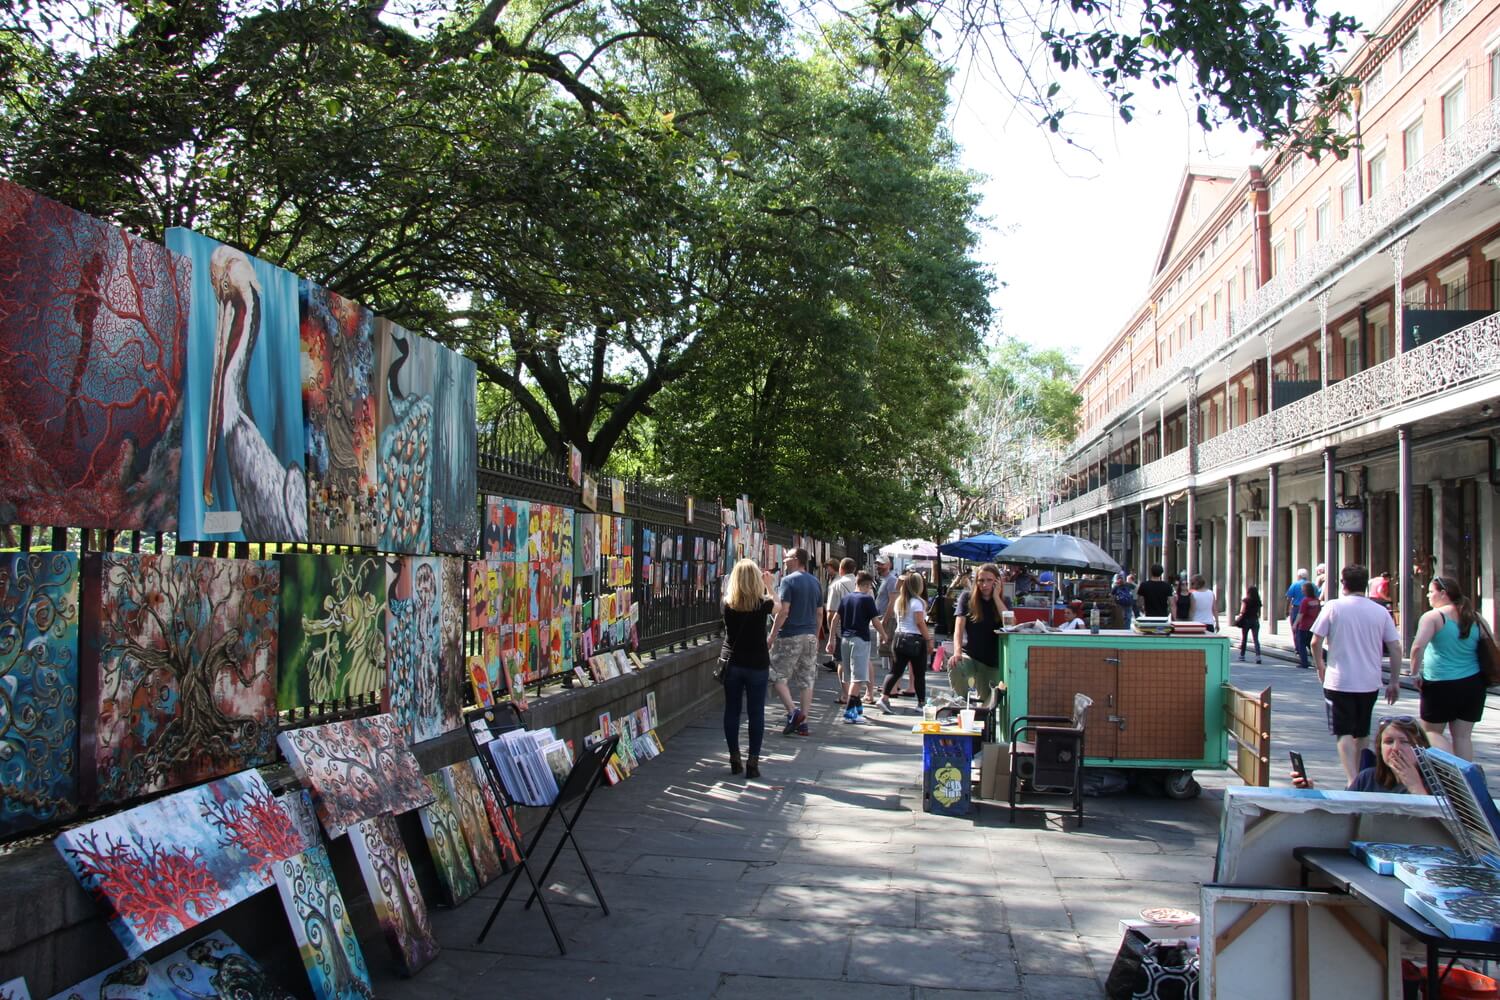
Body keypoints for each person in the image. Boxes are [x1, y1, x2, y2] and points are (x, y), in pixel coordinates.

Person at [1310, 564, 1403, 785]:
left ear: (1344, 584)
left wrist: (1320, 666)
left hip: (1339, 680)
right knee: (1362, 733)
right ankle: (1362, 777)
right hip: (1369, 681)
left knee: (1343, 733)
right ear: (1365, 585)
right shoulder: (1379, 611)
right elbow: (1396, 647)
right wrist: (1395, 681)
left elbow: (1315, 641)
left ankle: (1352, 780)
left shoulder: (1333, 607)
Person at [1409, 575, 1488, 760]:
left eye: (1430, 591)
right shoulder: (1475, 617)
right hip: (1473, 684)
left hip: (1441, 683)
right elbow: (1489, 644)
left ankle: (1450, 768)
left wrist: (1414, 674)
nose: (1428, 595)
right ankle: (1465, 779)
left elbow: (1418, 646)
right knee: (1462, 737)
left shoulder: (1433, 617)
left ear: (1443, 594)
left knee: (1431, 733)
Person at [720, 559, 775, 778]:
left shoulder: (727, 603)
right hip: (757, 663)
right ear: (756, 579)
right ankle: (753, 761)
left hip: (732, 663)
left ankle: (734, 757)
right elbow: (779, 606)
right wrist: (769, 585)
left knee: (731, 710)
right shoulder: (762, 604)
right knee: (756, 712)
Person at [1291, 715, 1430, 794]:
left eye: (1404, 742)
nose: (1395, 748)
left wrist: (1415, 786)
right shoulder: (1368, 778)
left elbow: (1440, 830)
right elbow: (1341, 812)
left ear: (1420, 747)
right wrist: (1309, 793)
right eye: (1388, 742)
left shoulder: (1434, 784)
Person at [768, 548, 821, 737]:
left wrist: (772, 636)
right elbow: (819, 612)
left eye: (787, 557)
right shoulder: (815, 582)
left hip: (790, 635)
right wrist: (815, 633)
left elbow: (783, 611)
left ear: (796, 559)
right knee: (807, 680)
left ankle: (793, 712)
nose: (784, 560)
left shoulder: (788, 581)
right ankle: (804, 723)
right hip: (810, 635)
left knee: (776, 675)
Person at [949, 562, 1008, 708]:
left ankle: (981, 721)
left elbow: (1011, 625)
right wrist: (957, 652)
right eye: (981, 580)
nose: (985, 584)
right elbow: (958, 628)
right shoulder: (967, 598)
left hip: (992, 662)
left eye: (989, 580)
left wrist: (996, 597)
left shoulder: (1003, 601)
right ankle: (962, 702)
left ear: (997, 581)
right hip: (971, 655)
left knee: (989, 703)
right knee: (955, 664)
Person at [828, 570, 880, 724]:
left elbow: (834, 619)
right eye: (870, 586)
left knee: (850, 676)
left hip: (845, 639)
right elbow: (875, 621)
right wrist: (883, 634)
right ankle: (850, 713)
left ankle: (858, 709)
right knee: (858, 678)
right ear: (867, 585)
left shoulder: (846, 599)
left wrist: (831, 638)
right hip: (860, 640)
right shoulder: (867, 600)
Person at [879, 571, 930, 713]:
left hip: (899, 637)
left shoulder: (900, 601)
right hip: (915, 640)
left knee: (895, 671)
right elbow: (920, 622)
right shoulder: (918, 602)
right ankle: (921, 703)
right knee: (919, 673)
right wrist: (929, 639)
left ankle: (884, 698)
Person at [871, 556, 899, 702]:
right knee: (889, 653)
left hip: (888, 621)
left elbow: (892, 602)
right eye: (877, 564)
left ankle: (893, 686)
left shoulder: (892, 580)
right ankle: (892, 685)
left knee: (891, 653)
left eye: (881, 564)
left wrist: (884, 621)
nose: (878, 566)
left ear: (888, 565)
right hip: (884, 620)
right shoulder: (886, 580)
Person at [824, 558, 858, 677]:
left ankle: (845, 693)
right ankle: (862, 690)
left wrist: (831, 633)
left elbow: (831, 612)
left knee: (842, 661)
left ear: (841, 569)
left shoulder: (836, 585)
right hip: (860, 628)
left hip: (841, 627)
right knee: (859, 660)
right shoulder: (862, 584)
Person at [1291, 582, 1320, 670]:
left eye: (1303, 590)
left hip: (1304, 626)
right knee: (1310, 643)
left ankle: (1304, 662)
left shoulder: (1305, 601)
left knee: (1301, 644)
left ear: (1306, 591)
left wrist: (1295, 624)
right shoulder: (1316, 600)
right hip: (1313, 625)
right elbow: (1319, 613)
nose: (1302, 592)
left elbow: (1301, 614)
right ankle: (1319, 659)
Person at [1235, 585, 1262, 662]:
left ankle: (1242, 655)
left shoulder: (1245, 600)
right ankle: (1258, 656)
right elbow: (1258, 612)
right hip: (1255, 620)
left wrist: (1239, 618)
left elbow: (1242, 611)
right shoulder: (1258, 601)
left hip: (1246, 620)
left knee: (1244, 638)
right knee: (1256, 639)